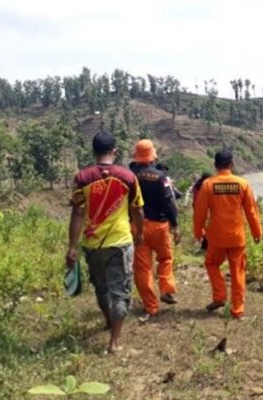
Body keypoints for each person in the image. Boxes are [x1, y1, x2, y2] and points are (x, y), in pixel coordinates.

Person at [66, 132, 144, 354]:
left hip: (92, 244)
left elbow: (77, 214)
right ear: (115, 151)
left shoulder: (82, 178)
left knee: (101, 289)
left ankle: (109, 321)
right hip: (119, 243)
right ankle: (114, 342)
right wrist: (140, 234)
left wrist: (72, 246)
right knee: (120, 291)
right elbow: (137, 210)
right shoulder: (128, 177)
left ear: (93, 152)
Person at [193, 150, 262, 318]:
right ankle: (237, 310)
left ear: (215, 166)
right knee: (238, 272)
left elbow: (200, 212)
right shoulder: (242, 184)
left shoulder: (208, 185)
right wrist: (256, 232)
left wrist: (198, 232)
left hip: (216, 237)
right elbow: (252, 211)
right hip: (237, 237)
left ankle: (219, 296)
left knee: (211, 264)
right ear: (231, 164)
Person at [129, 140, 181, 321]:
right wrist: (175, 226)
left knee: (142, 268)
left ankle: (151, 307)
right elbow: (169, 203)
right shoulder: (160, 177)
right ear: (153, 156)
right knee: (165, 258)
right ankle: (166, 289)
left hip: (137, 226)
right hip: (159, 226)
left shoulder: (129, 176)